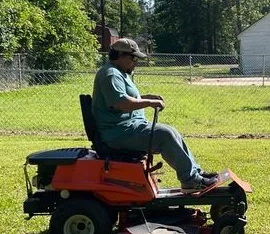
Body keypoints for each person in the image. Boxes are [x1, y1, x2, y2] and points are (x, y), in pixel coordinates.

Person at [92, 38, 219, 192]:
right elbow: (121, 103)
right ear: (120, 55)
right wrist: (149, 103)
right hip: (119, 133)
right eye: (133, 58)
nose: (135, 62)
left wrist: (147, 97)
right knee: (164, 134)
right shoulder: (110, 74)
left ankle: (195, 174)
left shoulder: (119, 73)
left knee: (171, 131)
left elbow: (123, 98)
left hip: (131, 128)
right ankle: (190, 180)